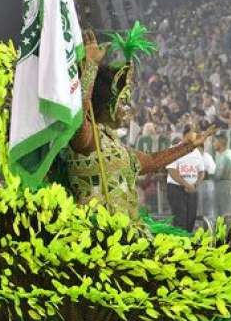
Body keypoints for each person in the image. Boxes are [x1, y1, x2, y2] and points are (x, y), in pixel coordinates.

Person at [65, 31, 213, 226]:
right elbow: (77, 116)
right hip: (93, 238)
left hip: (127, 234)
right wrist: (91, 68)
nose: (127, 109)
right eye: (122, 102)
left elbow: (151, 162)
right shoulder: (86, 137)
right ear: (105, 105)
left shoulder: (111, 142)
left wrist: (187, 146)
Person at [165, 127, 206, 231]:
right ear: (186, 135)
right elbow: (172, 171)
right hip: (176, 189)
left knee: (190, 219)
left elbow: (202, 172)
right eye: (192, 134)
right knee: (180, 220)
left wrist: (195, 185)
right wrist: (186, 184)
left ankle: (188, 243)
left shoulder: (196, 152)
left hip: (192, 190)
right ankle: (179, 245)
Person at [211, 133, 231, 218]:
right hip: (228, 188)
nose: (213, 144)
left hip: (223, 189)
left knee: (224, 215)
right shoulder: (230, 155)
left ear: (220, 142)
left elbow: (218, 175)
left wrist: (209, 176)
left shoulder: (225, 157)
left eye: (214, 141)